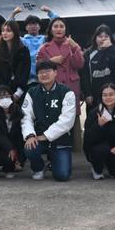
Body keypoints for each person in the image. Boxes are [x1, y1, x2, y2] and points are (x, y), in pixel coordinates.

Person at [21, 60, 77, 182]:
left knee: (62, 176)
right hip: (38, 137)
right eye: (41, 72)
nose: (44, 75)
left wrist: (46, 136)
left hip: (61, 140)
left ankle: (55, 162)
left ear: (55, 72)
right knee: (30, 147)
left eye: (47, 71)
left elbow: (67, 120)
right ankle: (39, 168)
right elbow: (26, 117)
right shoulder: (31, 93)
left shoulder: (67, 92)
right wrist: (30, 135)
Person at [37, 17, 85, 152]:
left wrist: (75, 47)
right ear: (51, 30)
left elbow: (79, 64)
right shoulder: (44, 48)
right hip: (53, 86)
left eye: (61, 26)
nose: (59, 29)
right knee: (53, 115)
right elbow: (38, 67)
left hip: (71, 85)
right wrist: (51, 61)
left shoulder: (72, 44)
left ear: (65, 29)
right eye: (55, 26)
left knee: (71, 116)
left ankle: (75, 150)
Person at [83, 83, 115, 180]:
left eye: (111, 94)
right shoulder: (94, 113)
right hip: (98, 148)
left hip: (114, 146)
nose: (108, 97)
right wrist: (98, 125)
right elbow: (87, 139)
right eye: (105, 95)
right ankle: (97, 169)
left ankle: (113, 169)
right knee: (102, 150)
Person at [81, 24, 115, 108]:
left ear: (110, 38)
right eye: (100, 36)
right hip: (95, 95)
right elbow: (84, 75)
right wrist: (87, 94)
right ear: (95, 38)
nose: (103, 38)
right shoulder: (89, 53)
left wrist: (109, 48)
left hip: (113, 93)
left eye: (106, 36)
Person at [12, 5, 58, 85]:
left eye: (35, 24)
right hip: (27, 80)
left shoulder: (45, 39)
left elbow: (57, 24)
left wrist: (49, 12)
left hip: (44, 78)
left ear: (39, 27)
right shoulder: (22, 41)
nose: (33, 26)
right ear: (26, 27)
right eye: (30, 24)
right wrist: (13, 14)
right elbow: (10, 28)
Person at [0, 21, 31, 101]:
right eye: (3, 30)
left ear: (15, 32)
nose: (5, 33)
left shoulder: (23, 51)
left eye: (8, 31)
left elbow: (25, 72)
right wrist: (2, 91)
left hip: (18, 91)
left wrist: (18, 92)